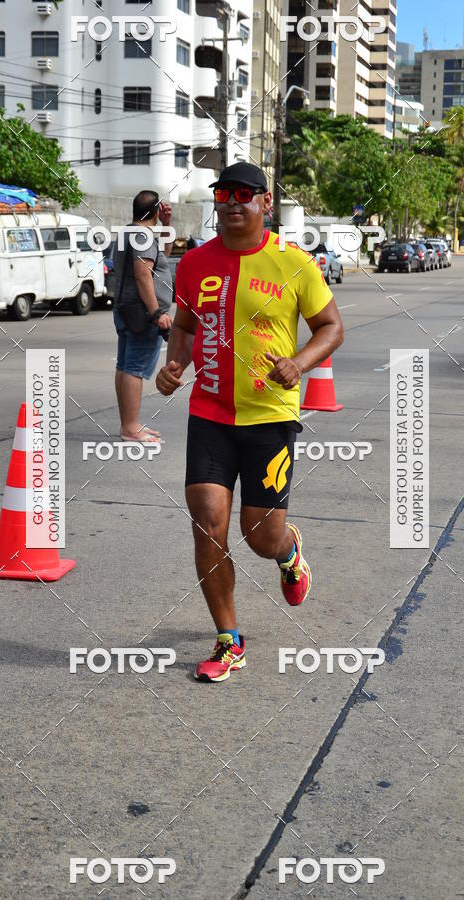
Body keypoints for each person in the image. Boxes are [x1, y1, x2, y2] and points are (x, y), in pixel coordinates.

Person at [155, 162, 344, 683]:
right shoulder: (195, 263)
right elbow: (186, 327)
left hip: (269, 417)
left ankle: (288, 552)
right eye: (224, 194)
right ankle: (228, 639)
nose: (233, 202)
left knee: (260, 536)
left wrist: (299, 363)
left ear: (265, 202)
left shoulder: (294, 262)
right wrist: (174, 366)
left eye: (244, 194)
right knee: (207, 519)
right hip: (209, 415)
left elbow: (331, 327)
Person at [113, 190, 174, 441]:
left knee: (124, 365)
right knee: (134, 367)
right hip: (142, 313)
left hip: (125, 309)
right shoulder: (143, 236)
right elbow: (142, 274)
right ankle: (130, 427)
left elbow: (162, 257)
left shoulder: (127, 233)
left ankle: (128, 424)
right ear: (156, 211)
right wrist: (156, 312)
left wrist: (167, 226)